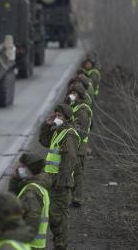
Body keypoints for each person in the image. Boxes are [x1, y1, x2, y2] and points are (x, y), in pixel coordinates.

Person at [38, 104, 81, 250]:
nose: (57, 118)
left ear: (67, 118)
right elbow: (44, 141)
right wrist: (47, 124)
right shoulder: (58, 131)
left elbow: (70, 160)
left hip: (59, 183)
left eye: (60, 116)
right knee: (53, 216)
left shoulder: (68, 135)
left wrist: (60, 182)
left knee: (59, 218)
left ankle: (61, 245)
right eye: (56, 115)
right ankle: (59, 244)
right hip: (51, 180)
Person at [8, 153, 50, 249]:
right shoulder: (33, 186)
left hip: (29, 245)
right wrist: (15, 179)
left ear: (28, 170)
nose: (17, 168)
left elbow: (33, 219)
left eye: (21, 166)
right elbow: (12, 198)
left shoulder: (31, 192)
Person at [65, 83, 93, 207]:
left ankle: (77, 199)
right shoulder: (73, 106)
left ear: (80, 94)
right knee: (72, 172)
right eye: (71, 93)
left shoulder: (82, 110)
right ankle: (72, 197)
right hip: (72, 146)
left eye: (75, 93)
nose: (72, 95)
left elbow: (83, 131)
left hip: (79, 148)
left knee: (77, 174)